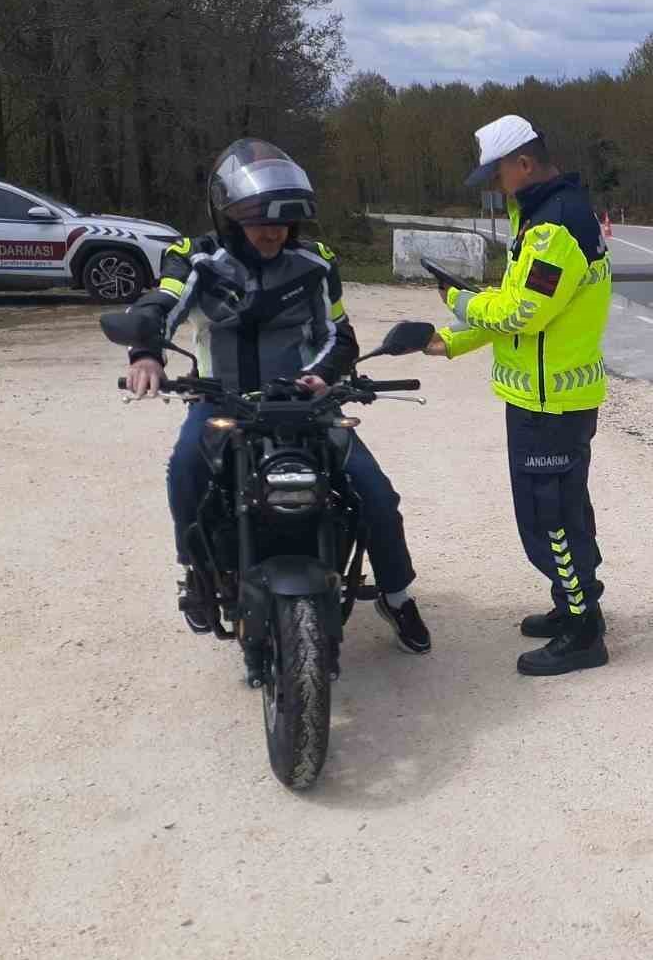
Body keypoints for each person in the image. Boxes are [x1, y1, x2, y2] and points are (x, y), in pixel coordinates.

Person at [123, 138, 432, 662]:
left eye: (283, 223)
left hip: (306, 404)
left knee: (375, 493)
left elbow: (339, 335)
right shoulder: (197, 259)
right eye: (257, 221)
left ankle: (397, 595)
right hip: (223, 400)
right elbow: (162, 304)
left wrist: (320, 376)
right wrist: (146, 353)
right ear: (229, 217)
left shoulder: (315, 263)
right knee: (185, 470)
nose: (272, 232)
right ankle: (197, 574)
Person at [427, 115, 612, 676]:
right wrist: (451, 341)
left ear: (524, 163)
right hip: (544, 398)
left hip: (551, 404)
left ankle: (583, 632)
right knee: (560, 512)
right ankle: (574, 605)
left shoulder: (555, 227)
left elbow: (522, 313)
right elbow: (518, 308)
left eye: (497, 173)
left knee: (550, 521)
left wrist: (457, 301)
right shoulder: (541, 218)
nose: (494, 184)